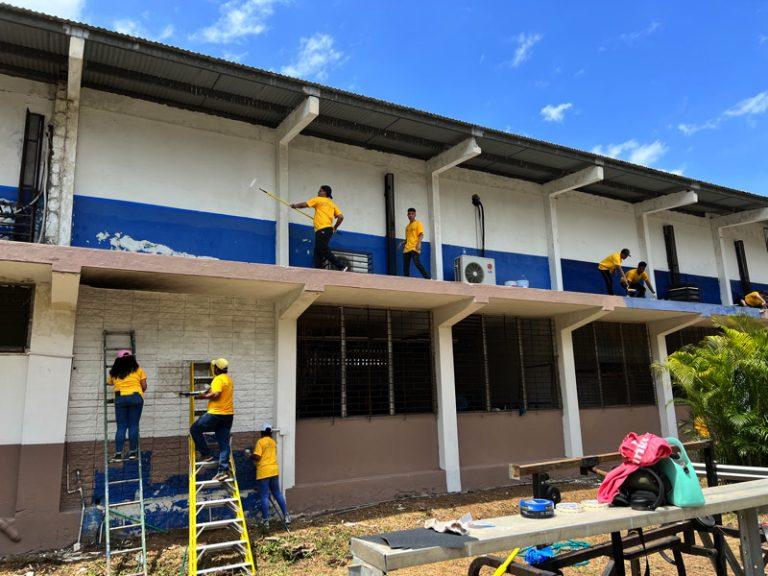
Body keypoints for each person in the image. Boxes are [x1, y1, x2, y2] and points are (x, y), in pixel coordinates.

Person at [190, 358, 235, 482]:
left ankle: (206, 454)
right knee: (223, 444)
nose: (213, 368)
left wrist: (203, 396)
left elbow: (216, 394)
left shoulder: (218, 379)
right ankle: (223, 471)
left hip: (216, 414)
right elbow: (218, 392)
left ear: (217, 368)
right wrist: (208, 391)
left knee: (194, 429)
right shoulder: (228, 380)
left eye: (214, 366)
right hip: (228, 416)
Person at [291, 185, 347, 271]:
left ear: (325, 192)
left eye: (320, 191)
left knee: (322, 248)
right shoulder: (332, 204)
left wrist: (295, 205)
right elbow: (341, 217)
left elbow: (304, 204)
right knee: (318, 251)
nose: (318, 192)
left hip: (322, 229)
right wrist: (334, 228)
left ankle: (341, 266)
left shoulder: (318, 199)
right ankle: (319, 270)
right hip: (327, 230)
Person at [107, 350, 147, 462]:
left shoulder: (114, 371)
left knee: (121, 427)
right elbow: (144, 385)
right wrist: (139, 391)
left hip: (120, 398)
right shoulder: (138, 370)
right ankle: (133, 453)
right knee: (133, 425)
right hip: (135, 397)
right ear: (131, 359)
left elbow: (110, 383)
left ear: (118, 360)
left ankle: (118, 454)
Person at [250, 423, 290, 528]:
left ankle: (266, 521)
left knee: (264, 496)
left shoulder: (260, 442)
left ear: (262, 432)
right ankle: (287, 516)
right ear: (270, 432)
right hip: (274, 470)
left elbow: (257, 457)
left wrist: (249, 455)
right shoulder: (273, 442)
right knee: (277, 493)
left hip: (264, 472)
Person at [399, 207, 429, 279]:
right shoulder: (407, 227)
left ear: (415, 214)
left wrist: (419, 243)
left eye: (412, 214)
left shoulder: (418, 223)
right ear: (407, 215)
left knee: (417, 263)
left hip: (414, 247)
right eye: (409, 214)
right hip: (406, 249)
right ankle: (407, 280)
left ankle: (427, 278)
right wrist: (402, 243)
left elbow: (421, 234)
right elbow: (407, 238)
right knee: (405, 267)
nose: (411, 215)